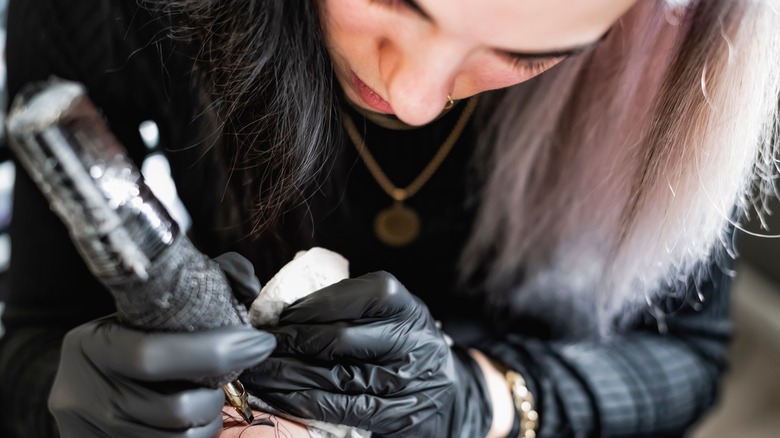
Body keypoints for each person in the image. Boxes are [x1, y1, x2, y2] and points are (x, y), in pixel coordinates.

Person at [1, 0, 779, 437]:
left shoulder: (679, 59)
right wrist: (62, 399)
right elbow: (38, 333)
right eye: (394, 0)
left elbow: (687, 358)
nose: (412, 95)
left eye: (523, 54)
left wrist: (482, 404)